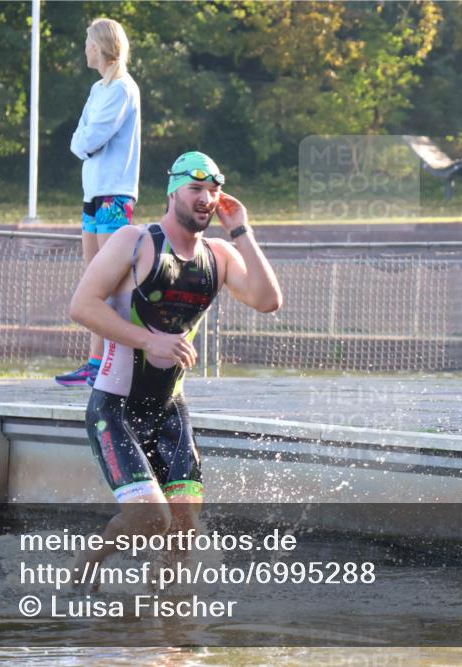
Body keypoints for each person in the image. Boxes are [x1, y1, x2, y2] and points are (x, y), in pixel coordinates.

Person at [70, 151, 282, 576]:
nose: (206, 199)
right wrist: (150, 340)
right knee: (152, 521)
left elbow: (268, 300)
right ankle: (88, 564)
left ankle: (165, 625)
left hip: (169, 411)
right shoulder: (134, 241)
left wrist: (241, 229)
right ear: (173, 193)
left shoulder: (219, 255)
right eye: (196, 189)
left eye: (213, 191)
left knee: (185, 531)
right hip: (116, 409)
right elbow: (82, 306)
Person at [56, 17, 141, 387]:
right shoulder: (97, 89)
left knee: (112, 282)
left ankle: (116, 362)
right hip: (92, 194)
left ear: (102, 46)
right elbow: (81, 134)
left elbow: (91, 139)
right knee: (94, 281)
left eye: (89, 42)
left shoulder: (123, 88)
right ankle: (94, 363)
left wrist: (83, 142)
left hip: (114, 194)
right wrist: (82, 142)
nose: (85, 48)